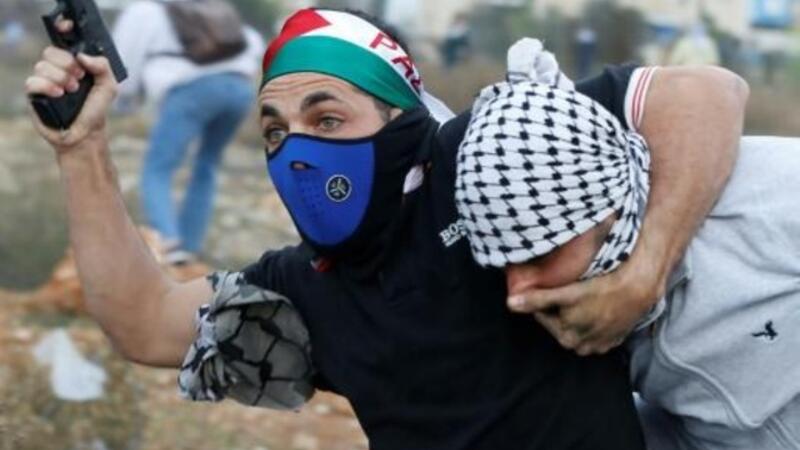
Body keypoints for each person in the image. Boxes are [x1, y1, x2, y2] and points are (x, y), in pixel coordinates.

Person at [24, 7, 748, 450]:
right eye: (275, 131)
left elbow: (707, 91)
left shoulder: (492, 159)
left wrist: (644, 270)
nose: (296, 150)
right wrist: (81, 147)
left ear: (399, 118)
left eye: (327, 117)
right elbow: (145, 321)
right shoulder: (302, 288)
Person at [455, 62, 800, 449]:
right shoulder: (589, 338)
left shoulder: (771, 201)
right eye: (504, 263)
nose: (517, 291)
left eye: (540, 256)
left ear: (609, 214)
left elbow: (717, 86)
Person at [112, 0, 265, 263]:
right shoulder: (214, 8)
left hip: (190, 90)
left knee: (158, 169)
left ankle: (169, 244)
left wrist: (123, 99)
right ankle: (190, 247)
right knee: (207, 165)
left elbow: (124, 59)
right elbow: (253, 42)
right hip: (239, 88)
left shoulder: (145, 10)